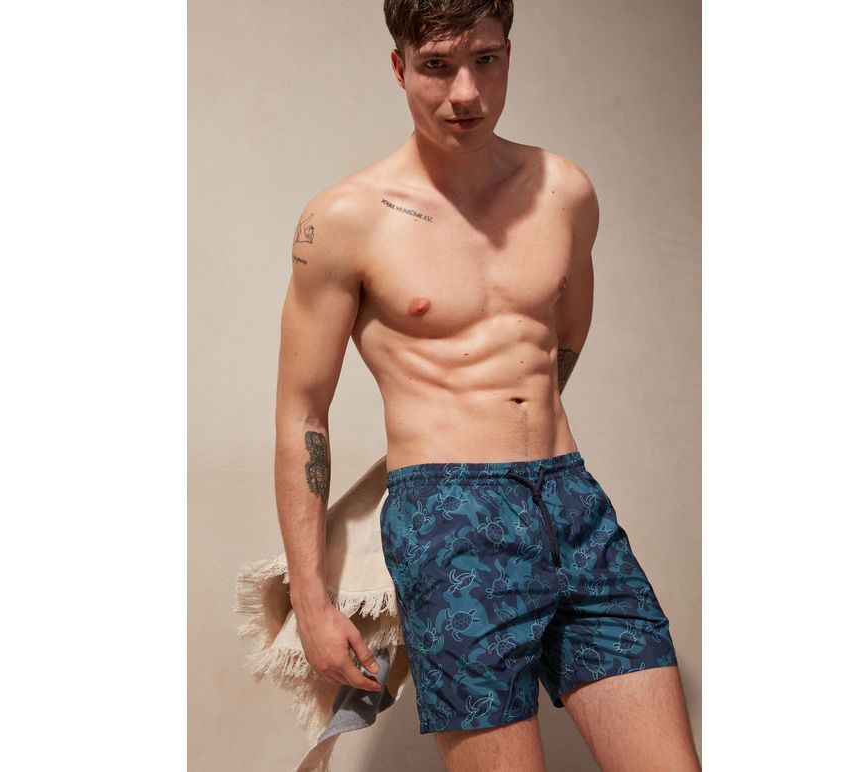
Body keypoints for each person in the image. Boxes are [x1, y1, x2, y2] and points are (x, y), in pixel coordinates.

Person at [272, 1, 700, 769]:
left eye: (485, 60)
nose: (464, 93)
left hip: (572, 503)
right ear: (400, 67)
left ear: (509, 53)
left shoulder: (564, 191)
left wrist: (513, 422)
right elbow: (303, 410)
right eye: (437, 66)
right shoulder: (345, 219)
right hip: (450, 520)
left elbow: (561, 342)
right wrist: (311, 598)